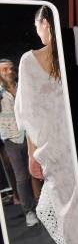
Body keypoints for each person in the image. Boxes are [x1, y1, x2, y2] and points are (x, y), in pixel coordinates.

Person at [15, 5, 78, 244]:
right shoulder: (67, 58)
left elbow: (29, 114)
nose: (37, 31)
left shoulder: (29, 60)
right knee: (64, 209)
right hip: (70, 145)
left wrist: (32, 153)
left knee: (64, 211)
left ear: (44, 24)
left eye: (37, 25)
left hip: (54, 148)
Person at [0, 59, 37, 227]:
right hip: (12, 138)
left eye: (11, 68)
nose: (9, 72)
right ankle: (29, 211)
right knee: (21, 176)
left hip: (30, 134)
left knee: (37, 171)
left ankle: (43, 205)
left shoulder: (21, 85)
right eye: (4, 69)